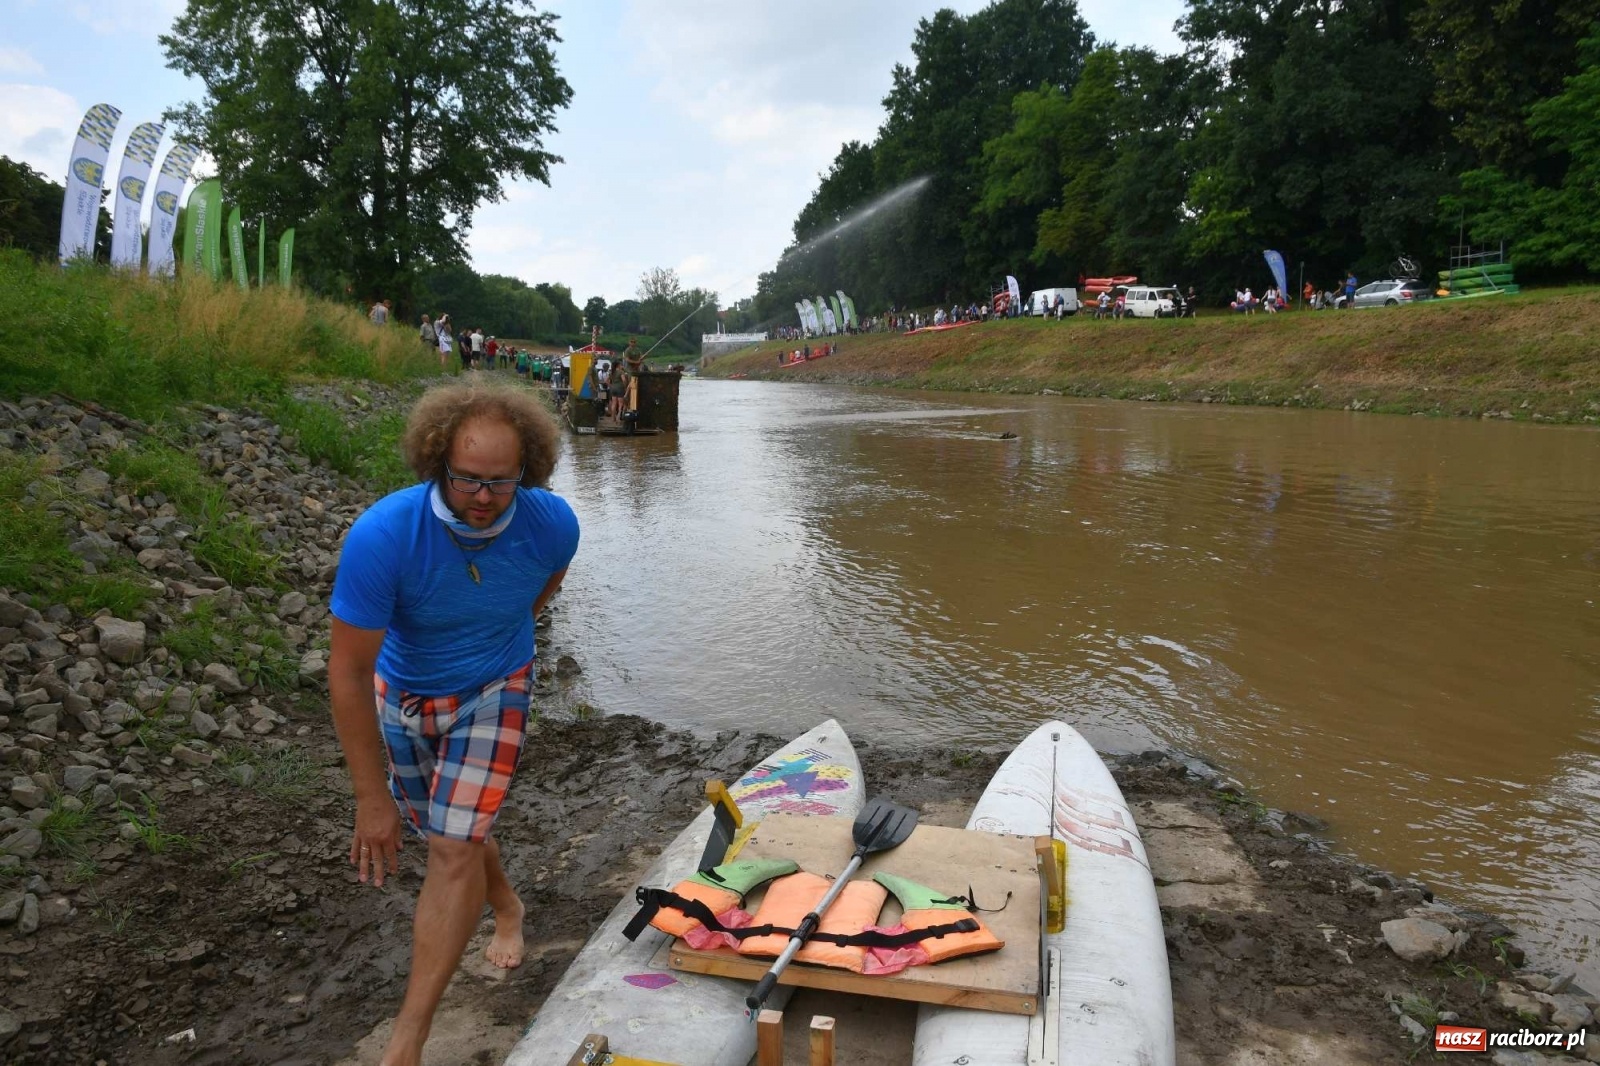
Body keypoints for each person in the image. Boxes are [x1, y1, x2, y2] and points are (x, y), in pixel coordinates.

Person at [327, 379, 577, 1066]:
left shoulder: (553, 522)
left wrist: (501, 634)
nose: (484, 497)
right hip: (405, 696)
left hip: (498, 687)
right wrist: (369, 798)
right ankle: (508, 905)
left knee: (453, 846)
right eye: (467, 480)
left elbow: (545, 580)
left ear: (528, 471)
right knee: (450, 831)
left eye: (502, 482)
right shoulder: (385, 535)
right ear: (438, 463)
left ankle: (408, 1039)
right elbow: (347, 672)